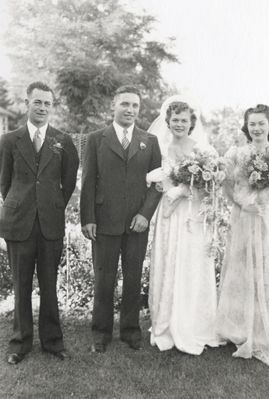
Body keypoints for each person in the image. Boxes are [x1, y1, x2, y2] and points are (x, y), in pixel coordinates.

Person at [0, 81, 79, 364]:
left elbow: (68, 182)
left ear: (52, 107)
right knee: (21, 285)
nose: (42, 107)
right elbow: (4, 183)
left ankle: (53, 342)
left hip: (50, 223)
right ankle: (19, 344)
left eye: (47, 103)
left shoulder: (63, 141)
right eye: (37, 102)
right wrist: (21, 204)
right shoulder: (9, 141)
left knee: (49, 283)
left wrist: (51, 204)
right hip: (18, 222)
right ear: (27, 104)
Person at [216, 104, 269, 366]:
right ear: (246, 126)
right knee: (243, 270)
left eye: (261, 123)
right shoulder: (237, 153)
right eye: (252, 124)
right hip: (244, 218)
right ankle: (242, 328)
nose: (256, 128)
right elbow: (226, 187)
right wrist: (241, 204)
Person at [80, 85, 162, 353]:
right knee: (104, 278)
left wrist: (145, 214)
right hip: (104, 222)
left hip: (136, 223)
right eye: (125, 104)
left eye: (135, 106)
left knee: (133, 277)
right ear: (113, 106)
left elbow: (157, 184)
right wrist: (87, 218)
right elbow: (88, 180)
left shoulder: (149, 141)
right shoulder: (95, 139)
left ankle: (130, 331)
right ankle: (100, 334)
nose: (130, 110)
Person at [148, 97, 220, 355]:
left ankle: (193, 324)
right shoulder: (159, 148)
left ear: (191, 123)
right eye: (175, 120)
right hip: (168, 215)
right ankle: (166, 323)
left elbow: (209, 186)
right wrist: (165, 186)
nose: (179, 124)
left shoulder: (203, 151)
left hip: (191, 218)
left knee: (191, 266)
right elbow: (156, 179)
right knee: (169, 263)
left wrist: (182, 189)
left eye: (184, 120)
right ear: (167, 122)